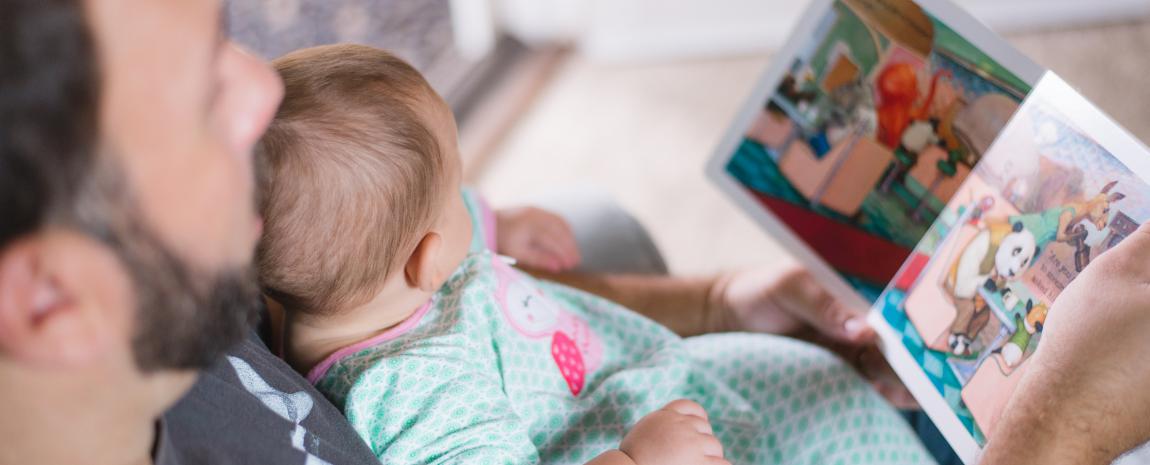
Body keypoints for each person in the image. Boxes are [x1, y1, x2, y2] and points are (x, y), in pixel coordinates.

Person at [1, 1, 1148, 464]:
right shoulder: (425, 410)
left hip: (664, 387)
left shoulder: (207, 273)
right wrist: (1064, 427)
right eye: (198, 95)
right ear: (50, 300)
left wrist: (710, 299)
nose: (256, 91)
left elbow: (458, 288)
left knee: (594, 222)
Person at [255, 44, 934, 465]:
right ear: (426, 261)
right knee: (847, 418)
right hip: (635, 433)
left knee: (826, 378)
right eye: (459, 185)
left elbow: (420, 222)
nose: (469, 196)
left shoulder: (345, 282)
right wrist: (638, 458)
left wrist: (496, 221)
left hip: (646, 380)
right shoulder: (414, 398)